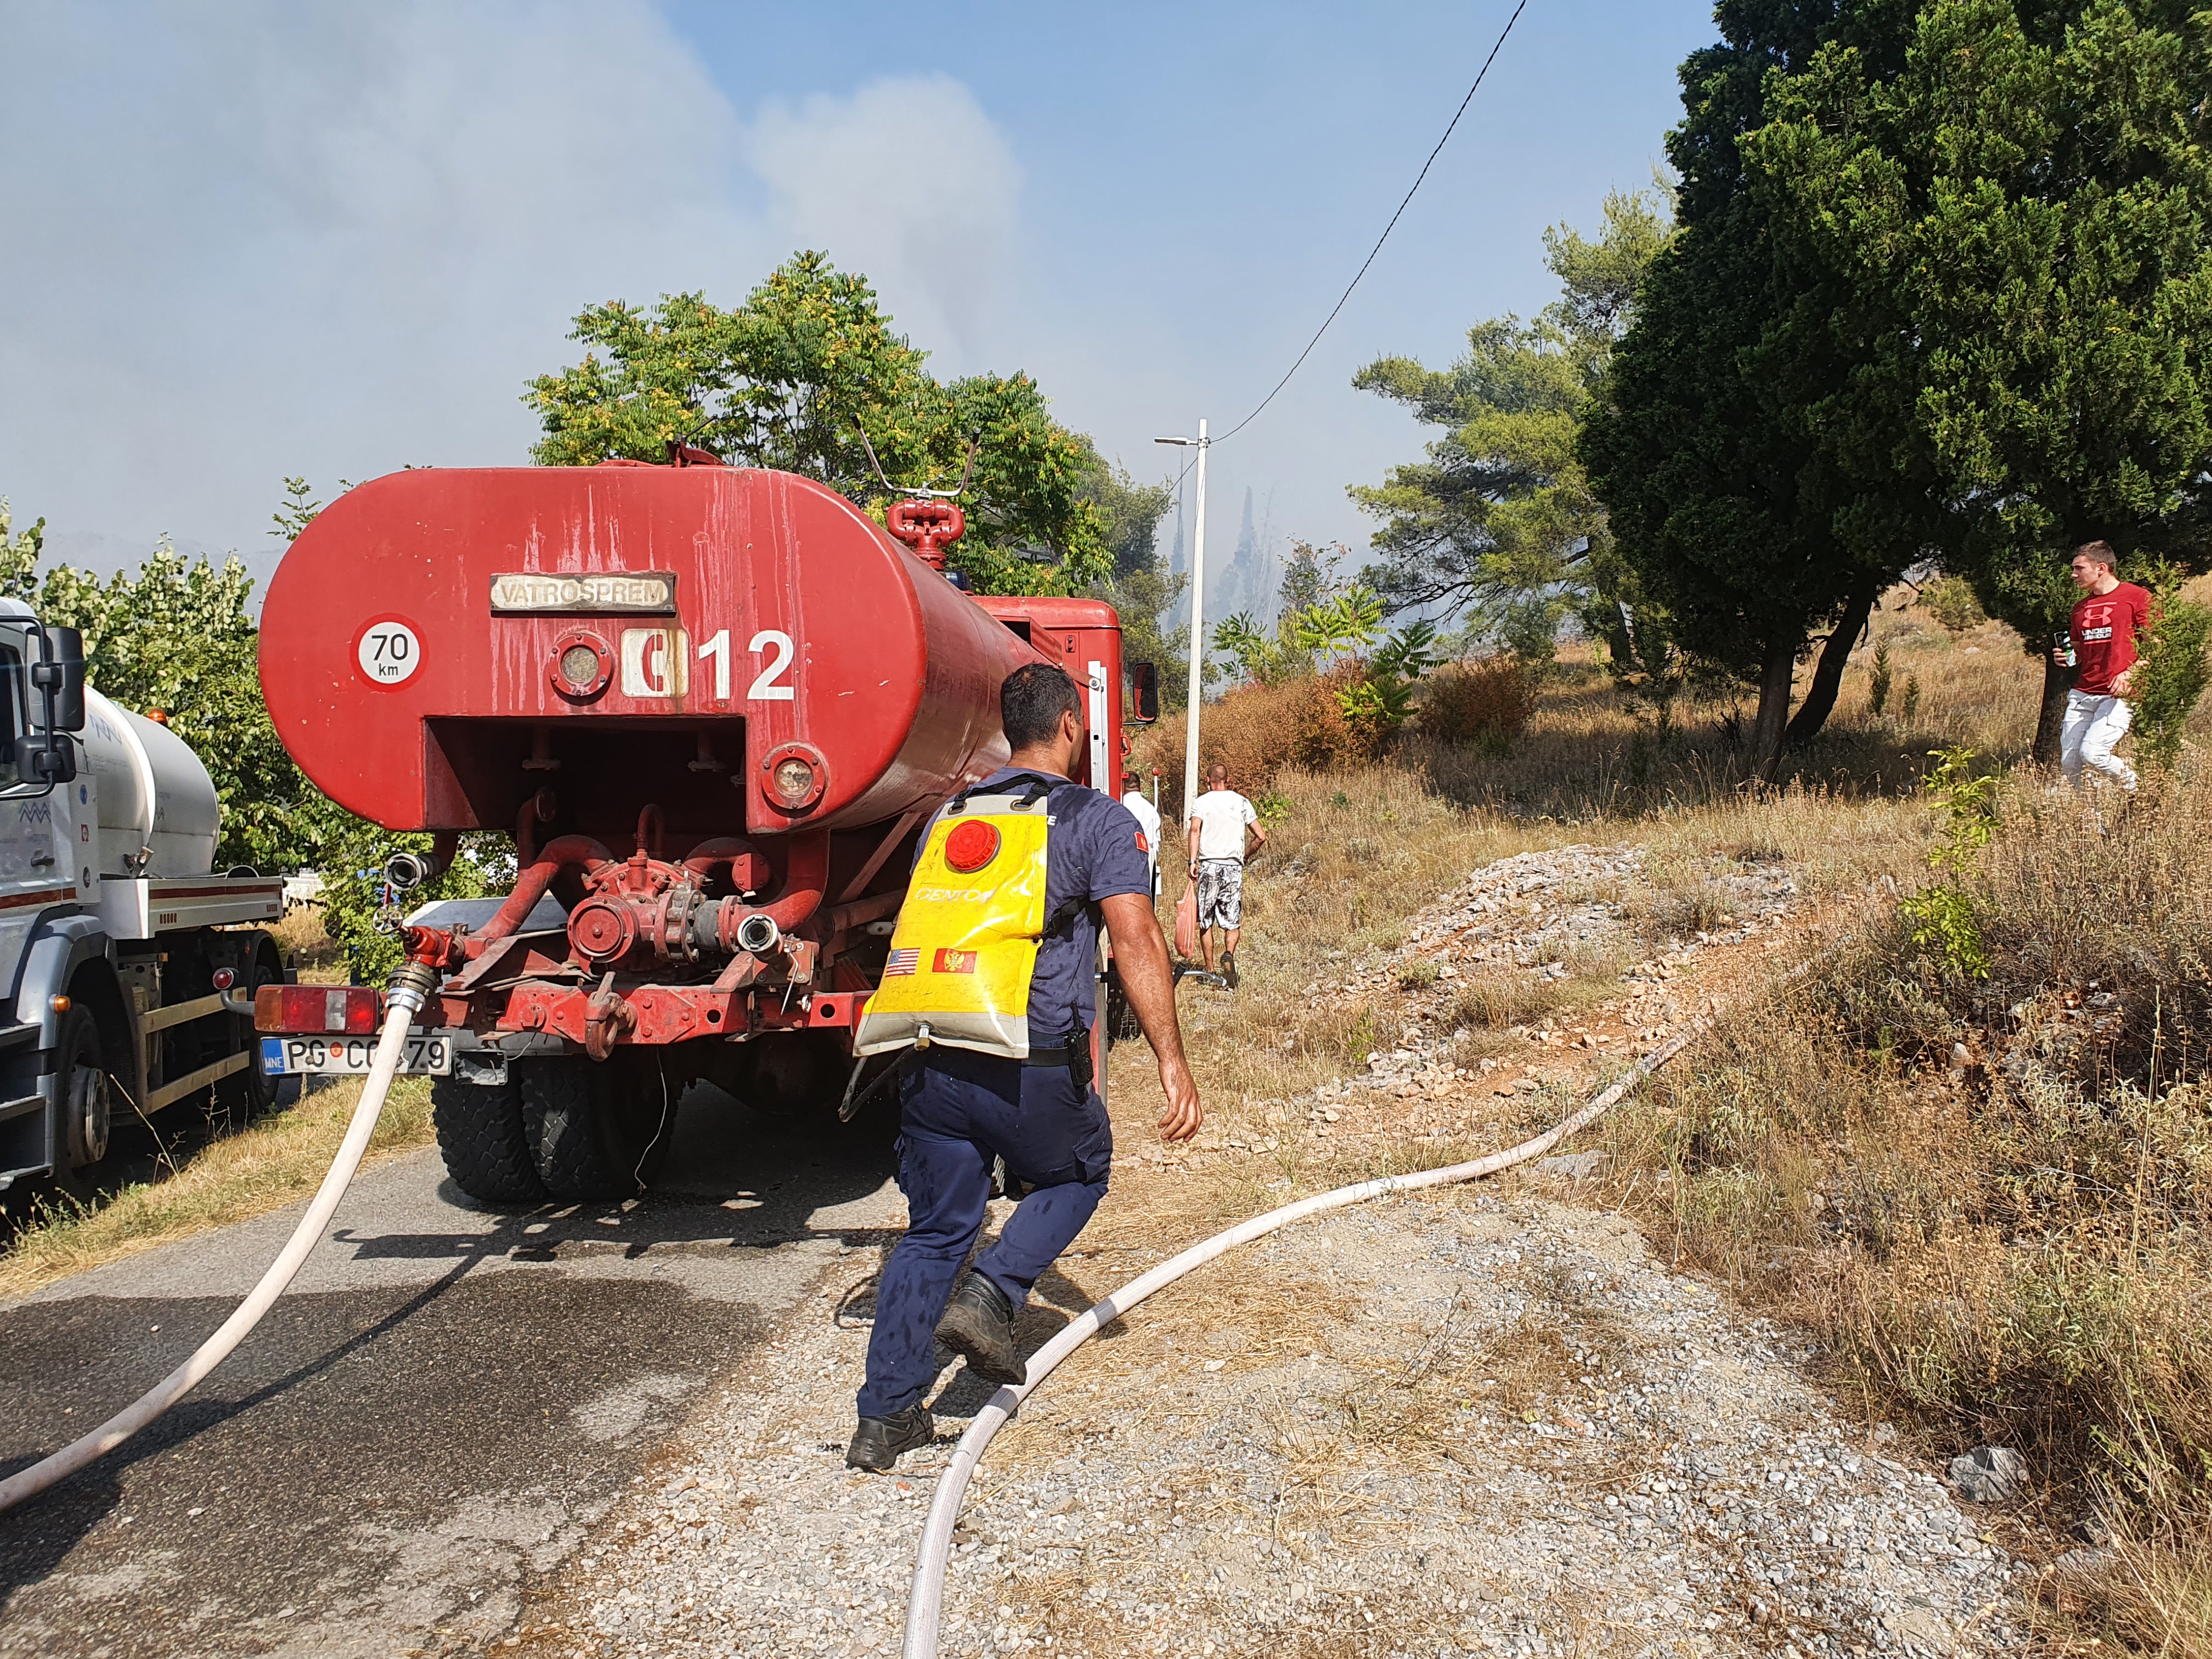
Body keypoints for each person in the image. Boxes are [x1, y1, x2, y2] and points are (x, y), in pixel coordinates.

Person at [847, 663, 1203, 1472]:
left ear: (1010, 730)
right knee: (1079, 1172)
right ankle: (996, 1292)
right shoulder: (1093, 817)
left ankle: (883, 1419)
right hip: (1030, 1059)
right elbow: (1137, 938)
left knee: (937, 1229)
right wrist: (1171, 1062)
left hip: (932, 1051)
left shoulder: (948, 816)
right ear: (1074, 726)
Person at [2053, 541, 2152, 792]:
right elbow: (2079, 651)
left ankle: (2138, 791)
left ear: (2101, 568)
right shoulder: (2080, 608)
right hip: (2084, 691)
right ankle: (2092, 824)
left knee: (2093, 752)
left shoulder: (2136, 597)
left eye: (2079, 568)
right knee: (2070, 764)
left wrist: (2132, 672)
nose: (2074, 575)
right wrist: (2066, 657)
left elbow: (2157, 647)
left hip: (2119, 692)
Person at [1184, 761, 1265, 989]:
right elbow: (1261, 836)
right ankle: (1228, 955)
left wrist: (1193, 861)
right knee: (1231, 922)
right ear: (1228, 780)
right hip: (1233, 867)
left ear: (1208, 780)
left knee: (1205, 921)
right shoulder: (1241, 802)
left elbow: (1195, 830)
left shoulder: (1201, 802)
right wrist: (1245, 856)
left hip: (1209, 865)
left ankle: (1210, 970)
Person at [1120, 769, 1163, 901]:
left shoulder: (1119, 806)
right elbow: (1156, 841)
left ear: (1122, 786)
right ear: (1141, 787)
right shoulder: (1151, 809)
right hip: (1147, 855)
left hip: (1123, 856)